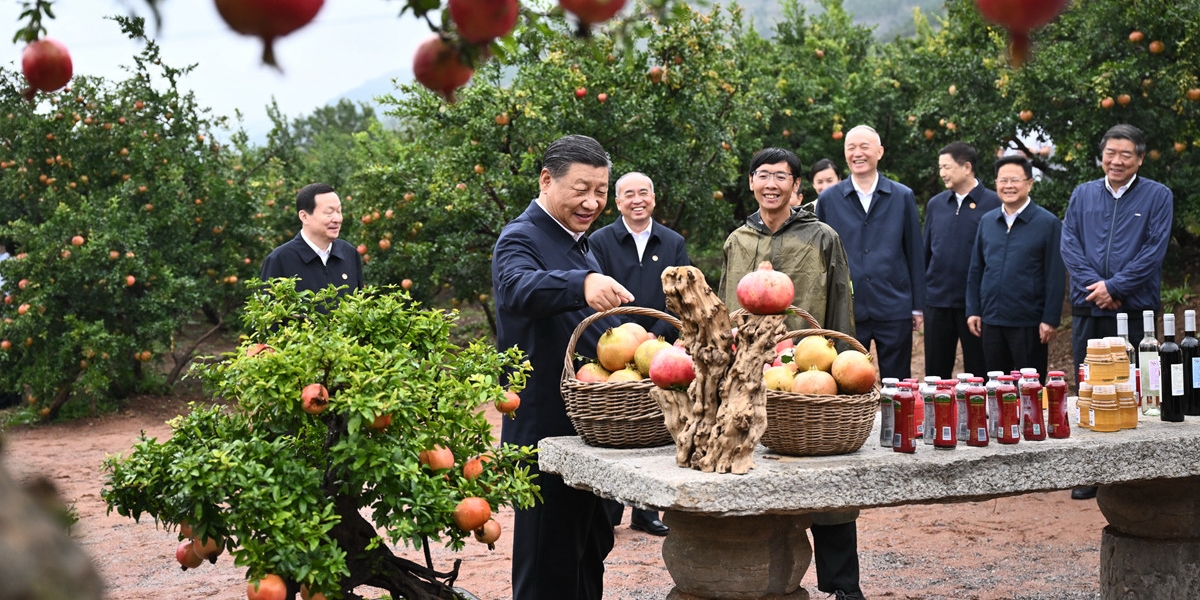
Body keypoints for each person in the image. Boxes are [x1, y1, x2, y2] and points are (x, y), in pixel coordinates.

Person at [492, 134, 634, 600]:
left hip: (585, 422)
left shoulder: (580, 244)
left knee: (589, 545)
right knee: (547, 559)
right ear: (547, 180)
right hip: (542, 426)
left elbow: (584, 328)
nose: (592, 201)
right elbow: (519, 288)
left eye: (600, 190)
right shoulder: (520, 237)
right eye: (581, 188)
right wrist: (583, 281)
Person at [717, 148, 861, 600]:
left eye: (781, 177)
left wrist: (844, 366)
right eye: (763, 176)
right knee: (751, 473)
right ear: (752, 182)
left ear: (797, 187)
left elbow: (840, 303)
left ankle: (843, 586)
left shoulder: (822, 237)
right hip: (749, 374)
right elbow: (723, 311)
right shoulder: (738, 240)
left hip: (809, 374)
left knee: (827, 481)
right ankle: (758, 581)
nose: (771, 184)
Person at [1060, 124, 1172, 500]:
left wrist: (1117, 287)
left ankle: (1137, 470)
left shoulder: (1158, 195)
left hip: (1135, 307)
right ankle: (1090, 468)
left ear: (1139, 158)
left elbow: (1154, 252)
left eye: (1126, 154)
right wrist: (1099, 288)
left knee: (1136, 385)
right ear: (1102, 155)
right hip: (1089, 304)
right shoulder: (1083, 193)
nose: (1117, 160)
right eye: (1111, 153)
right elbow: (1070, 244)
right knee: (1090, 384)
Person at [589, 171, 688, 537]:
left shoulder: (672, 241)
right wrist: (628, 337)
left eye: (643, 192)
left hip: (660, 346)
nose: (637, 199)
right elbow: (598, 297)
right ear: (617, 202)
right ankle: (610, 507)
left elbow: (682, 295)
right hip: (613, 345)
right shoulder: (600, 241)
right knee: (617, 423)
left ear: (653, 198)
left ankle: (646, 510)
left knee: (653, 424)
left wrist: (656, 335)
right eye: (628, 194)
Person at [816, 125, 925, 380]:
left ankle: (896, 422)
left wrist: (917, 307)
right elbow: (819, 258)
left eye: (864, 147)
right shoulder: (829, 199)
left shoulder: (902, 196)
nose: (857, 153)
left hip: (893, 302)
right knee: (845, 378)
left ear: (880, 152)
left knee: (897, 381)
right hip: (846, 307)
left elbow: (914, 253)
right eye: (851, 148)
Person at [966, 155, 1065, 378]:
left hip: (1028, 322)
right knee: (995, 388)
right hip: (991, 319)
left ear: (1030, 183)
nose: (1008, 186)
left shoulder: (1047, 223)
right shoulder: (988, 221)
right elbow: (976, 269)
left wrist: (1050, 319)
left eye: (1015, 180)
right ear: (995, 184)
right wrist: (973, 309)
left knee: (1029, 389)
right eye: (1003, 180)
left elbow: (1055, 275)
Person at [923, 142, 1001, 379]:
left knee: (980, 372)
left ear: (967, 167)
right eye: (940, 168)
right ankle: (937, 416)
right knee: (937, 374)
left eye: (947, 167)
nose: (942, 173)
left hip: (976, 305)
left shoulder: (994, 203)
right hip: (938, 302)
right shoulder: (936, 205)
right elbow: (926, 253)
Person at [260, 182, 364, 295]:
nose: (337, 219)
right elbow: (269, 309)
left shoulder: (349, 253)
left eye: (339, 211)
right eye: (329, 212)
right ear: (304, 217)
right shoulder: (280, 259)